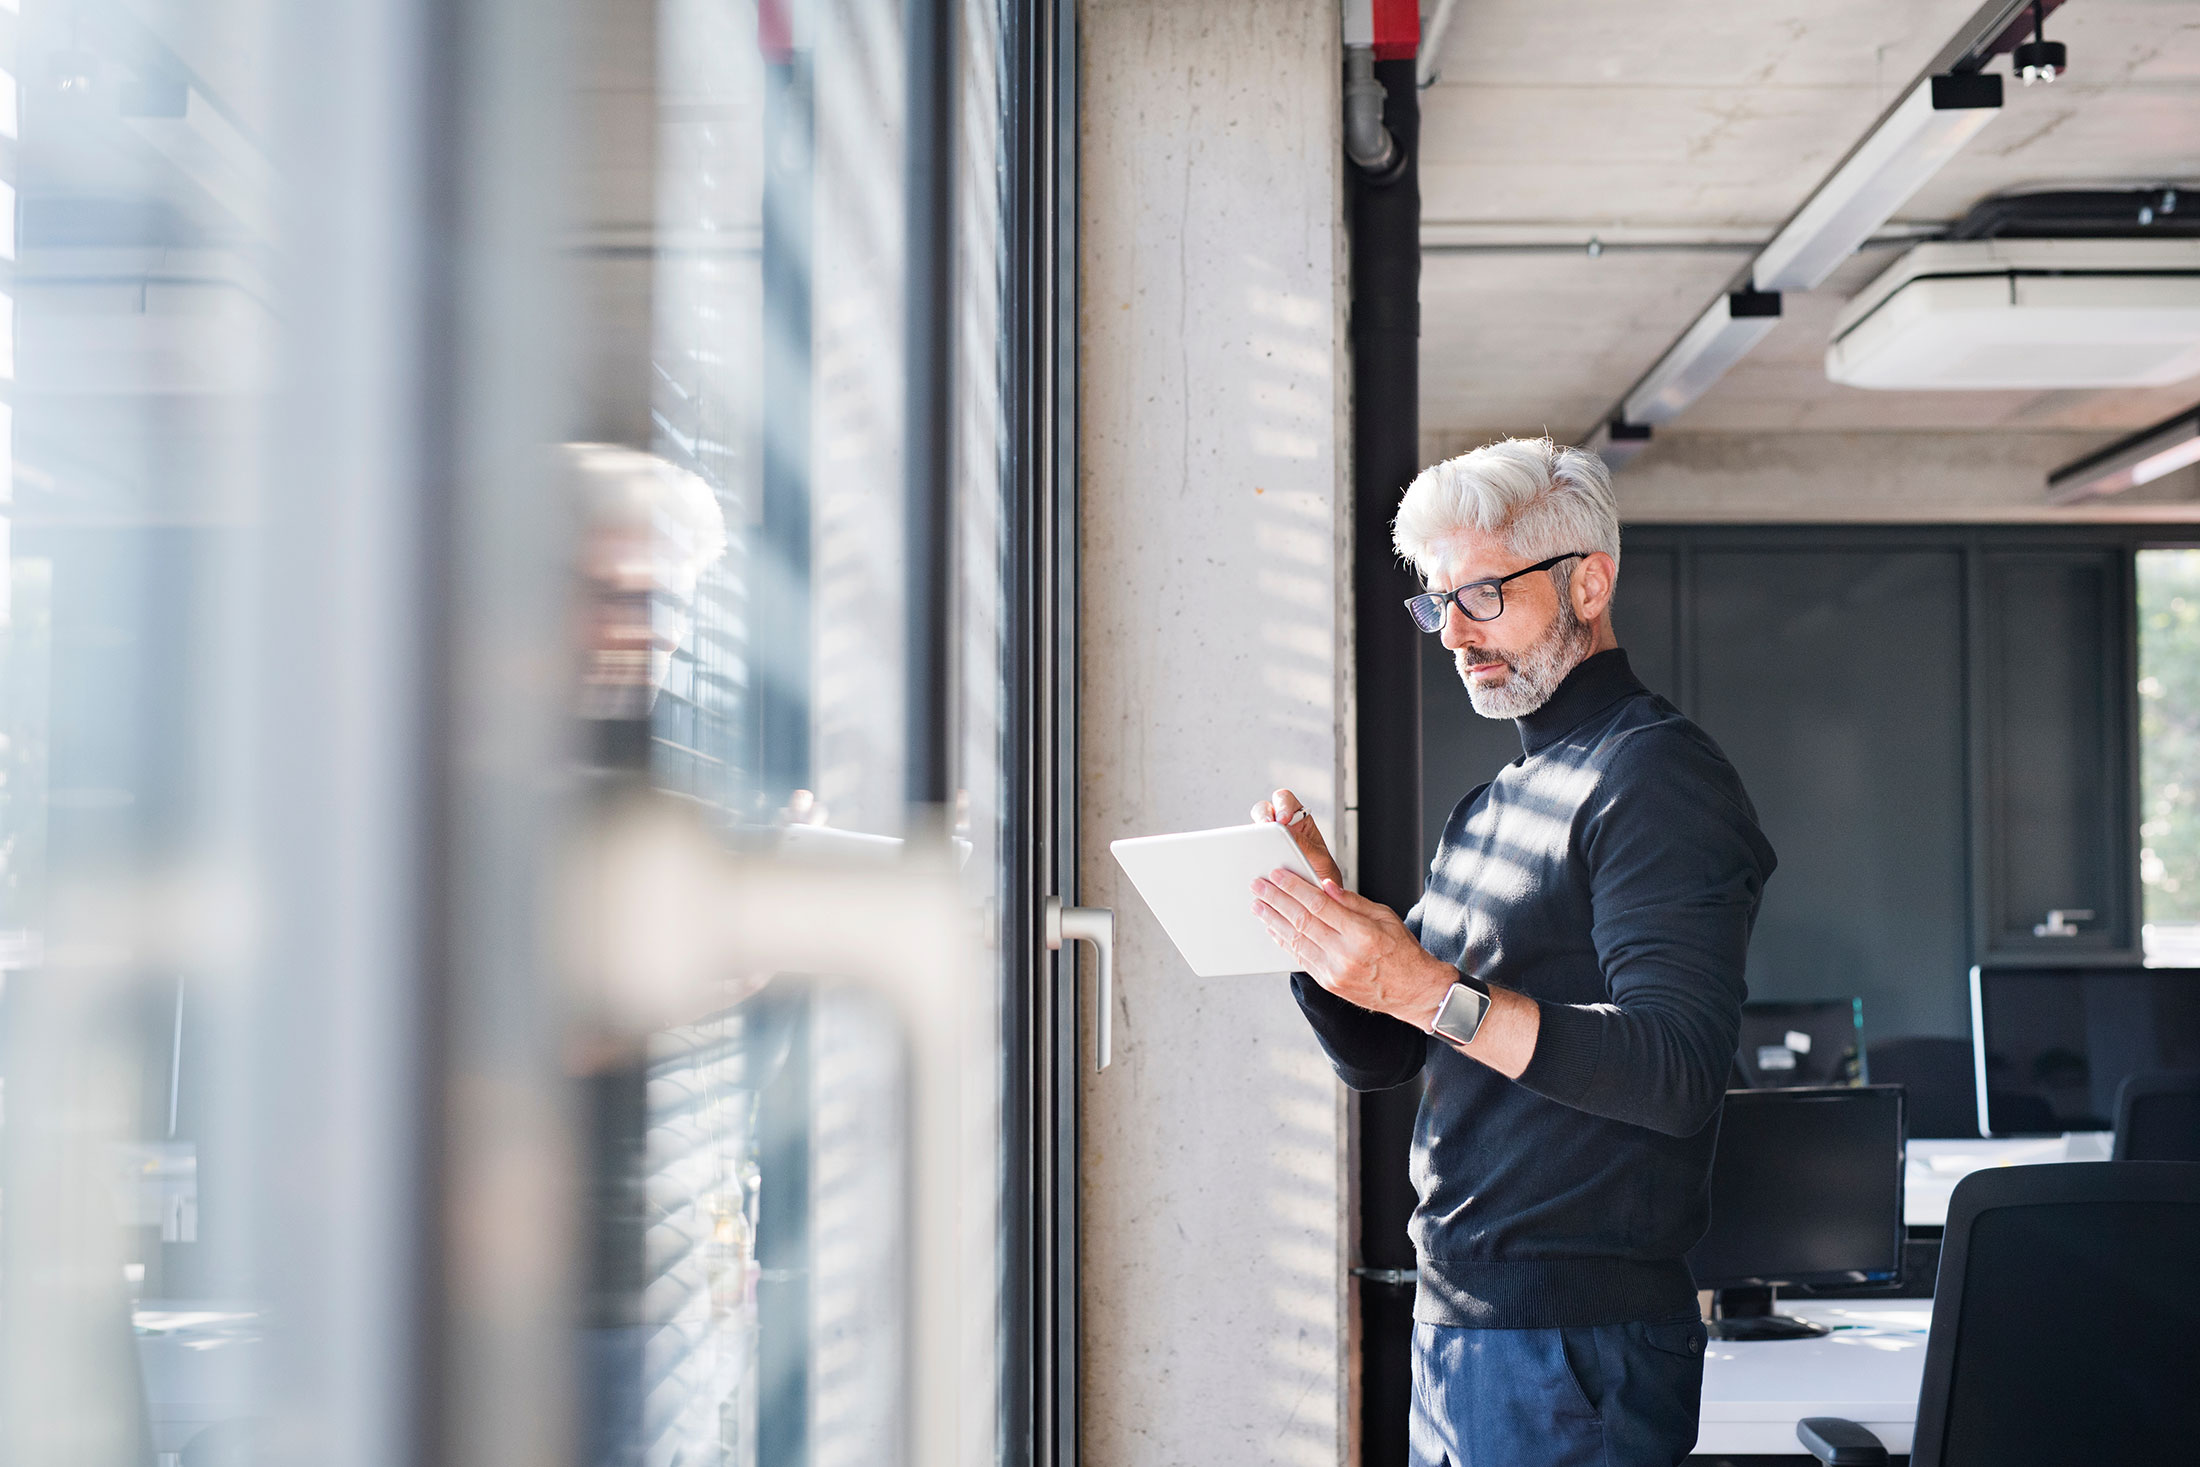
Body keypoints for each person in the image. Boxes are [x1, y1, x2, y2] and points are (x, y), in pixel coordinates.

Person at [1251, 437, 1776, 1467]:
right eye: (1435, 603)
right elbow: (1388, 1056)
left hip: (1574, 1343)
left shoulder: (1654, 776)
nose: (1451, 633)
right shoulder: (1490, 810)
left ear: (1588, 579)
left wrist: (1426, 987)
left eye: (1481, 594)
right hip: (1466, 1326)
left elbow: (1674, 1069)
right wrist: (1326, 936)